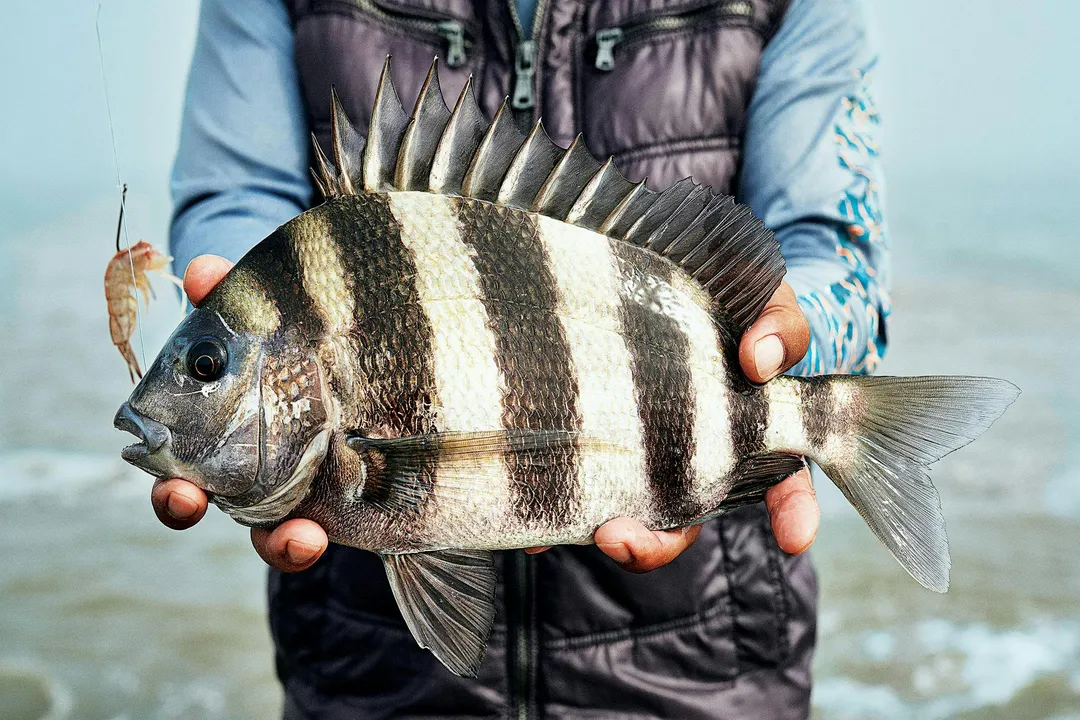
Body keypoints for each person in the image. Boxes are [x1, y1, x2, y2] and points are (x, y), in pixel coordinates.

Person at [155, 0, 888, 716]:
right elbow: (238, 194)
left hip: (706, 661)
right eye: (209, 368)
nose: (178, 395)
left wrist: (789, 349)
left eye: (207, 368)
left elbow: (832, 247)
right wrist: (235, 273)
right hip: (366, 668)